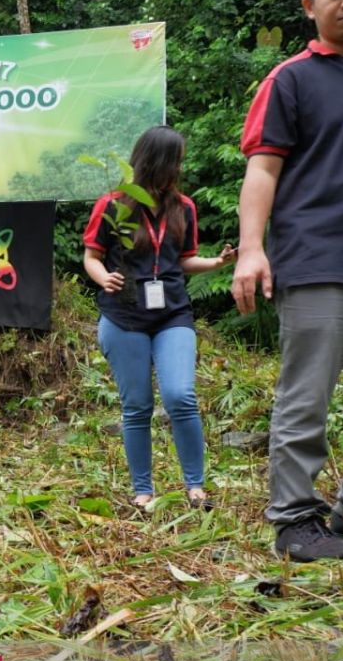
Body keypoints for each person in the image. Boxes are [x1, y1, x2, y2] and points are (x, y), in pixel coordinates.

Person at [231, 0, 343, 561]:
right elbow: (263, 169)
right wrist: (251, 249)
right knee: (308, 393)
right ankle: (296, 521)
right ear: (310, 4)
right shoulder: (292, 79)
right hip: (316, 257)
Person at [83, 126, 235, 512]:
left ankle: (196, 487)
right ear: (157, 162)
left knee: (180, 395)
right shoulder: (114, 204)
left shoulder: (183, 207)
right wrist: (104, 277)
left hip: (172, 314)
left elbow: (184, 260)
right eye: (177, 160)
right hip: (123, 316)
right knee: (136, 407)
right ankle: (142, 492)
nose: (181, 167)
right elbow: (91, 257)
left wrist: (216, 263)